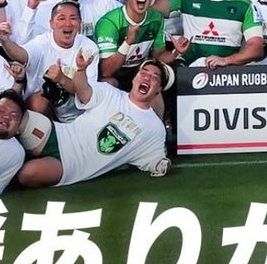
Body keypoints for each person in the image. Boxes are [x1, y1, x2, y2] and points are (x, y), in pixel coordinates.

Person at [15, 60, 173, 188]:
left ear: (158, 89)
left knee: (26, 174)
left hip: (71, 166)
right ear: (135, 78)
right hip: (59, 134)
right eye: (144, 73)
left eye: (154, 77)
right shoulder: (109, 91)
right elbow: (83, 91)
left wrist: (161, 164)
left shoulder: (155, 128)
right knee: (16, 118)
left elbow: (156, 160)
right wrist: (81, 70)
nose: (147, 78)